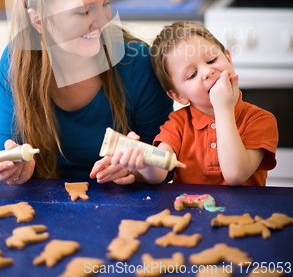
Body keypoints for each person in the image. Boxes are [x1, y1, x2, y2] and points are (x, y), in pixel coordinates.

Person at [0, 0, 173, 185]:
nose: (102, 21)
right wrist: (15, 171)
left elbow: (166, 166)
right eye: (83, 11)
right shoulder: (16, 62)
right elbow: (4, 157)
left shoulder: (138, 63)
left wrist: (135, 170)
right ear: (38, 21)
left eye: (105, 4)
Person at [110, 21, 278, 186]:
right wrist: (142, 160)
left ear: (228, 58)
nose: (207, 72)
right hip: (190, 212)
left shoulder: (260, 120)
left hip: (243, 214)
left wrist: (223, 109)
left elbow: (235, 175)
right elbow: (159, 172)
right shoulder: (178, 124)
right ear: (178, 96)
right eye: (192, 75)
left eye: (211, 60)